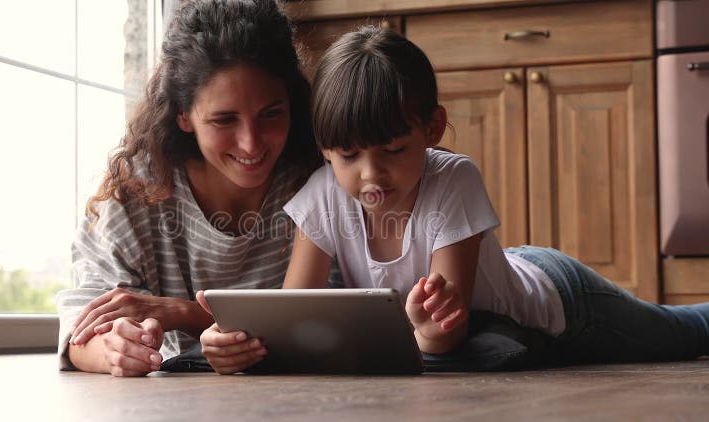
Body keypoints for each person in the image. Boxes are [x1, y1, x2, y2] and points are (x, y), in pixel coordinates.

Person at [197, 26, 709, 374]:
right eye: (348, 155)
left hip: (559, 299)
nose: (371, 173)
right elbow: (296, 319)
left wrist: (429, 329)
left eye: (394, 149)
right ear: (325, 148)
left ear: (432, 128)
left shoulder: (453, 179)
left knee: (683, 333)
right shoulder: (321, 198)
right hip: (499, 283)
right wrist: (237, 346)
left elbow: (447, 333)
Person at [56, 0, 323, 377]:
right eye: (224, 119)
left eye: (271, 113)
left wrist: (182, 313)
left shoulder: (318, 180)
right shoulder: (137, 191)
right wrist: (116, 350)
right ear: (183, 114)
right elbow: (81, 328)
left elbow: (336, 320)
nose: (251, 143)